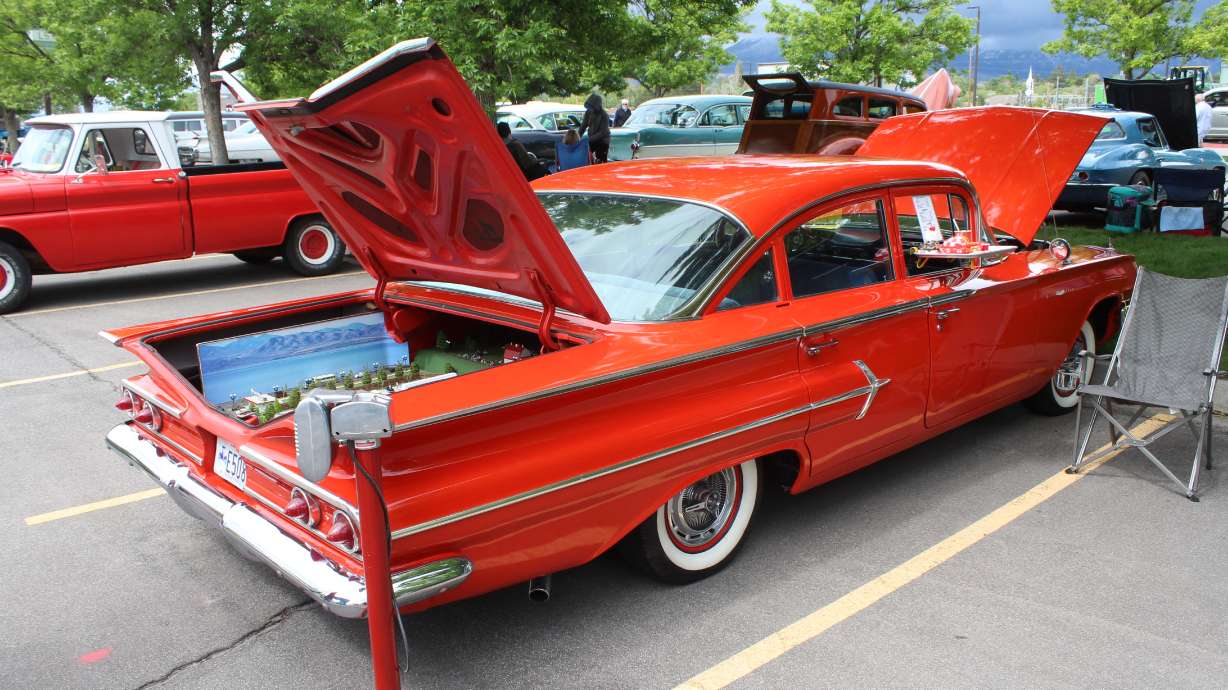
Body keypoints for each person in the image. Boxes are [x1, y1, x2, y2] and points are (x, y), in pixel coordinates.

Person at [577, 93, 611, 163]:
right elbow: (583, 126)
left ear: (596, 105)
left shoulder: (604, 115)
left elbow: (602, 132)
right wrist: (577, 137)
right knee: (586, 157)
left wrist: (588, 140)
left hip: (603, 141)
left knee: (601, 160)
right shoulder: (588, 112)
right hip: (591, 139)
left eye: (591, 106)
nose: (590, 108)